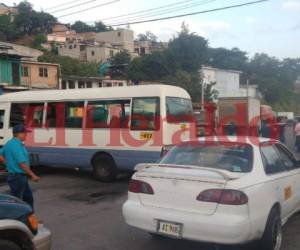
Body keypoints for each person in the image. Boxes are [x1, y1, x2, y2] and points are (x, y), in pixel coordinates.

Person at [0, 124, 40, 209]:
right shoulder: (16, 145)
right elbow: (22, 163)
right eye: (25, 133)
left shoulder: (10, 143)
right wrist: (33, 175)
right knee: (18, 202)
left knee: (27, 198)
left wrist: (7, 163)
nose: (26, 135)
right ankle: (22, 219)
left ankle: (29, 219)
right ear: (19, 134)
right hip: (18, 177)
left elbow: (0, 153)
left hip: (17, 177)